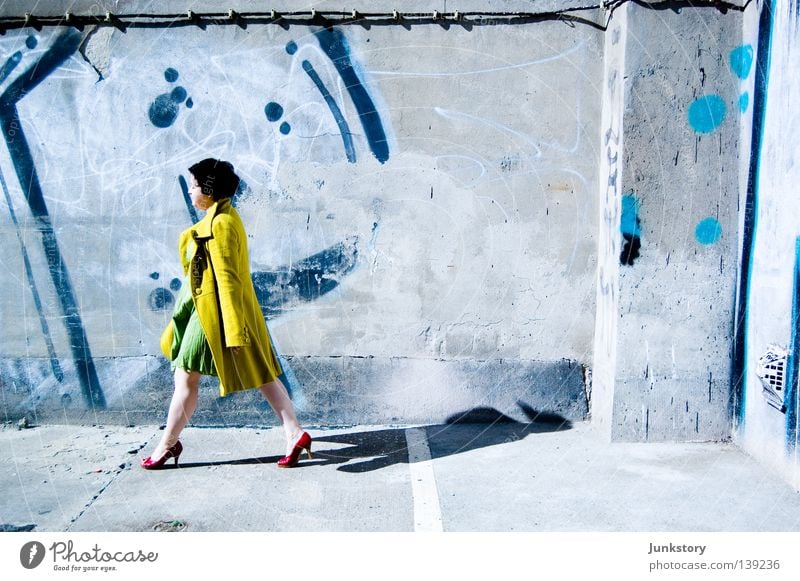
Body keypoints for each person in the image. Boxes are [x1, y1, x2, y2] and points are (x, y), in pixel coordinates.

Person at [141, 158, 311, 469]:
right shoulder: (224, 220)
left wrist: (234, 331)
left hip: (212, 317)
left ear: (208, 190)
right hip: (215, 314)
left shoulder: (218, 226)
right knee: (261, 372)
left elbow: (228, 280)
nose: (191, 191)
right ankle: (295, 432)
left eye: (194, 185)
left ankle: (166, 445)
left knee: (187, 376)